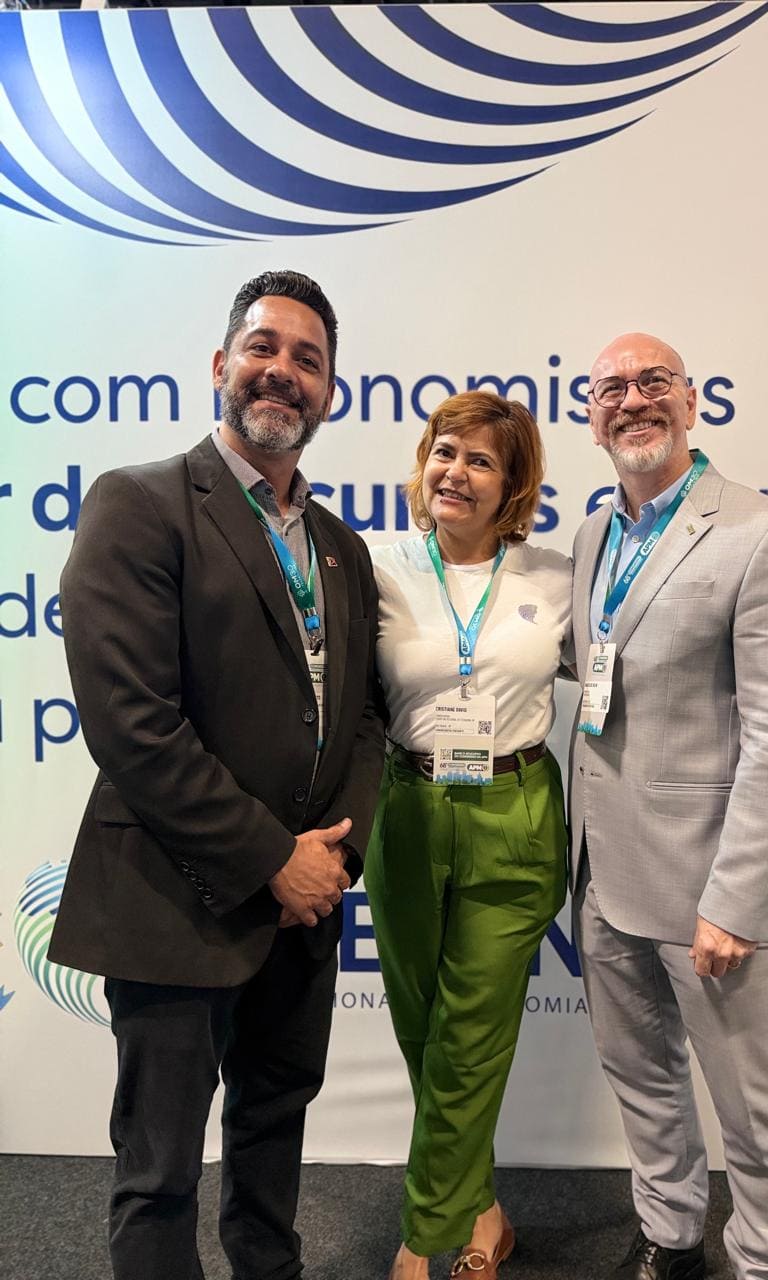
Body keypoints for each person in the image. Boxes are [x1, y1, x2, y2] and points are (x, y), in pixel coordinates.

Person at [48, 270, 385, 1280]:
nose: (283, 371)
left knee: (273, 1140)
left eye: (308, 360)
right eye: (263, 347)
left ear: (330, 392)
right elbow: (133, 725)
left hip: (303, 908)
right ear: (220, 364)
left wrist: (333, 860)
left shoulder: (340, 546)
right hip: (176, 899)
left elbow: (364, 718)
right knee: (158, 1171)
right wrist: (272, 858)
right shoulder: (141, 503)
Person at [569, 333, 768, 1280]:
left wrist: (738, 899)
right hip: (604, 875)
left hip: (713, 889)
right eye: (611, 388)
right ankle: (670, 1237)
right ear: (592, 416)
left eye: (653, 382)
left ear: (690, 402)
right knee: (643, 1080)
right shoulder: (594, 536)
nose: (632, 400)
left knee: (755, 1108)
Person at [365, 391, 570, 1280]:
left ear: (511, 486)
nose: (455, 472)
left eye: (480, 460)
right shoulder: (373, 567)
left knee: (470, 1034)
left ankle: (421, 1241)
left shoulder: (557, 578)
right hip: (407, 810)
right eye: (444, 452)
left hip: (513, 815)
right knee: (424, 1028)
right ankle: (483, 1211)